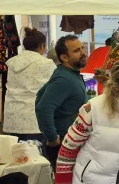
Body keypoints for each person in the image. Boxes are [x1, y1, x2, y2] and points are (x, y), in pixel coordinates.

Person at [36, 35, 89, 166]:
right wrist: (52, 138)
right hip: (64, 144)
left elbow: (40, 95)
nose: (83, 53)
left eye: (82, 48)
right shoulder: (63, 79)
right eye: (76, 51)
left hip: (72, 141)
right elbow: (43, 108)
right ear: (64, 58)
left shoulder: (70, 74)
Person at [3, 28, 55, 142]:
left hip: (12, 117)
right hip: (33, 119)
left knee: (15, 151)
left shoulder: (13, 62)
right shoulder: (46, 63)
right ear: (42, 46)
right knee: (35, 152)